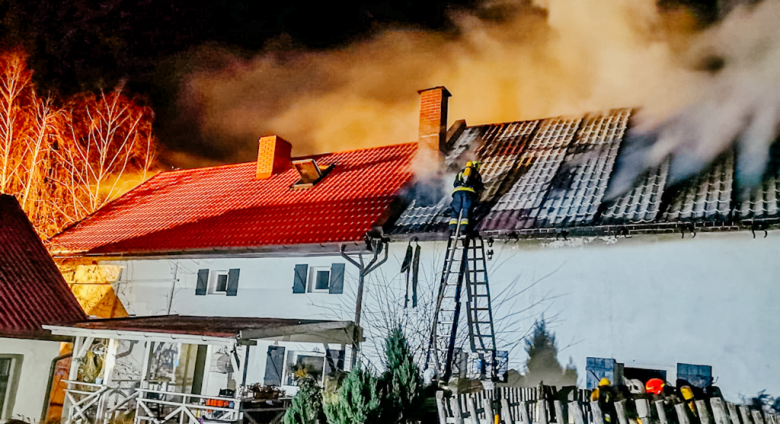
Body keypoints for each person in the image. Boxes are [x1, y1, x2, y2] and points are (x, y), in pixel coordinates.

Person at [449, 160, 484, 234]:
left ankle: (452, 228)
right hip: (468, 193)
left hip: (457, 192)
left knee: (455, 210)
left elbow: (455, 183)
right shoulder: (476, 174)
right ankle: (463, 229)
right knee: (466, 210)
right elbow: (479, 186)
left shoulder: (460, 173)